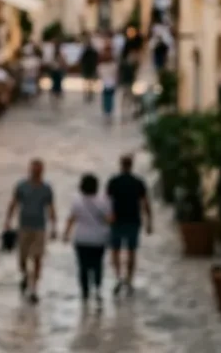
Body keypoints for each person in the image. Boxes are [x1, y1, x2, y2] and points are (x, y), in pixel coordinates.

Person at [4, 159, 57, 304]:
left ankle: (34, 289)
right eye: (34, 170)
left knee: (37, 258)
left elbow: (51, 207)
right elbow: (13, 203)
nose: (36, 173)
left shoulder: (46, 189)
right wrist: (7, 221)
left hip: (39, 227)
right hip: (23, 227)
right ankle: (25, 276)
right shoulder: (21, 186)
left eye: (38, 170)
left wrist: (53, 226)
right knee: (22, 258)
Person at [64, 173, 113, 309]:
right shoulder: (104, 201)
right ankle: (97, 289)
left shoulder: (76, 201)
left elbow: (71, 219)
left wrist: (66, 234)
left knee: (83, 266)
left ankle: (85, 292)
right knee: (97, 265)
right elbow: (110, 219)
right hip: (99, 239)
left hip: (81, 239)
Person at [106, 154, 154, 296]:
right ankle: (129, 279)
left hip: (117, 221)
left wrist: (106, 218)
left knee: (116, 250)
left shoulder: (113, 181)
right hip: (133, 220)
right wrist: (149, 221)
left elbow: (106, 202)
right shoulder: (138, 182)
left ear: (121, 165)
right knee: (131, 251)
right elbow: (145, 202)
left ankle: (118, 276)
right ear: (131, 165)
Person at [78, 33, 100, 103]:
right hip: (88, 68)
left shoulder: (91, 51)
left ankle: (89, 93)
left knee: (89, 82)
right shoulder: (87, 51)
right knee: (88, 82)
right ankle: (88, 93)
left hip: (90, 68)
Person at [99, 50, 118, 123]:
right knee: (110, 99)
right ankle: (109, 112)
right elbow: (116, 75)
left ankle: (107, 112)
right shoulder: (113, 65)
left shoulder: (101, 66)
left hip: (106, 84)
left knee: (106, 99)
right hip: (111, 84)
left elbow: (100, 75)